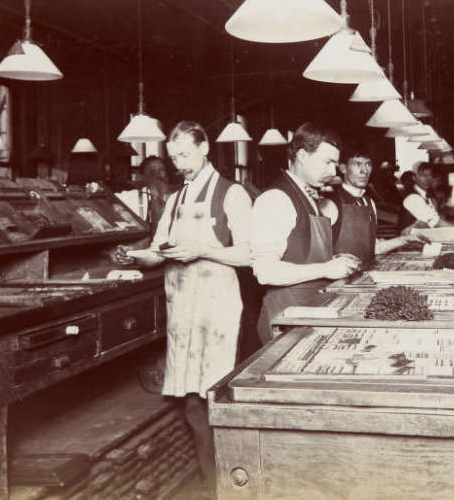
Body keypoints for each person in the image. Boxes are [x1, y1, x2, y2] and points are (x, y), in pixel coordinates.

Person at [122, 121, 252, 493]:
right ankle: (210, 485)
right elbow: (158, 250)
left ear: (205, 147)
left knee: (215, 400)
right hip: (182, 310)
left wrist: (201, 250)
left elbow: (247, 253)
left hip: (217, 312)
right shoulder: (176, 198)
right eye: (174, 157)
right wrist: (135, 256)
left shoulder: (232, 194)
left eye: (186, 154)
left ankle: (229, 485)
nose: (180, 164)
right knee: (192, 404)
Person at [250, 122, 360, 342]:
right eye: (327, 162)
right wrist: (326, 268)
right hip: (285, 318)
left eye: (335, 164)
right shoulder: (276, 199)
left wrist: (333, 259)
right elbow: (265, 271)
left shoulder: (306, 195)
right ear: (301, 155)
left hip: (309, 312)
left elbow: (298, 252)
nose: (332, 172)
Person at [324, 145, 423, 267]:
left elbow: (373, 248)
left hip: (364, 278)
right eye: (357, 164)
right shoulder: (330, 203)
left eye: (368, 164)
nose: (364, 171)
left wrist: (405, 239)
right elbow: (317, 255)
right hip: (338, 282)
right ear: (343, 168)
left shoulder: (369, 202)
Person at [399, 162, 449, 230]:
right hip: (411, 239)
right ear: (414, 177)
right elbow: (436, 222)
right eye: (422, 175)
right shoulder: (412, 198)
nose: (427, 179)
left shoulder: (427, 196)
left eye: (430, 175)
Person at [140, 155, 171, 235]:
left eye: (161, 170)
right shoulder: (137, 197)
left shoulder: (175, 197)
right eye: (152, 170)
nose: (157, 174)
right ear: (143, 175)